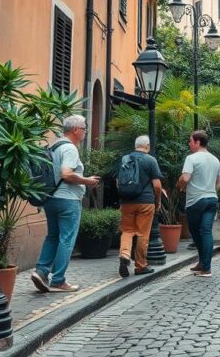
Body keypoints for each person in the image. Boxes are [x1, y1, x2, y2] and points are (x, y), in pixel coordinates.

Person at [31, 115, 100, 293]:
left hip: (51, 199)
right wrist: (87, 181)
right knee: (66, 239)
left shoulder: (54, 145)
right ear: (76, 129)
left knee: (52, 237)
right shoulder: (70, 148)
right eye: (84, 127)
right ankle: (58, 280)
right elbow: (66, 174)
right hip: (68, 200)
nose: (85, 130)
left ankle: (41, 271)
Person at [112, 135, 163, 278]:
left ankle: (125, 254)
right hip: (145, 202)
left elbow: (118, 182)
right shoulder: (150, 160)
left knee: (127, 231)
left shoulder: (125, 159)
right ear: (147, 146)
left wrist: (125, 195)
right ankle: (141, 266)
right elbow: (157, 185)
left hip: (126, 201)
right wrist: (157, 201)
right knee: (142, 233)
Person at [177, 130, 220, 277]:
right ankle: (205, 266)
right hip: (211, 199)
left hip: (195, 201)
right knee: (206, 232)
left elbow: (185, 178)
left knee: (196, 233)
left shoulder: (191, 159)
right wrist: (211, 190)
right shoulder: (215, 159)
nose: (189, 143)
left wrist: (180, 185)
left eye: (190, 141)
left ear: (197, 142)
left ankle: (204, 264)